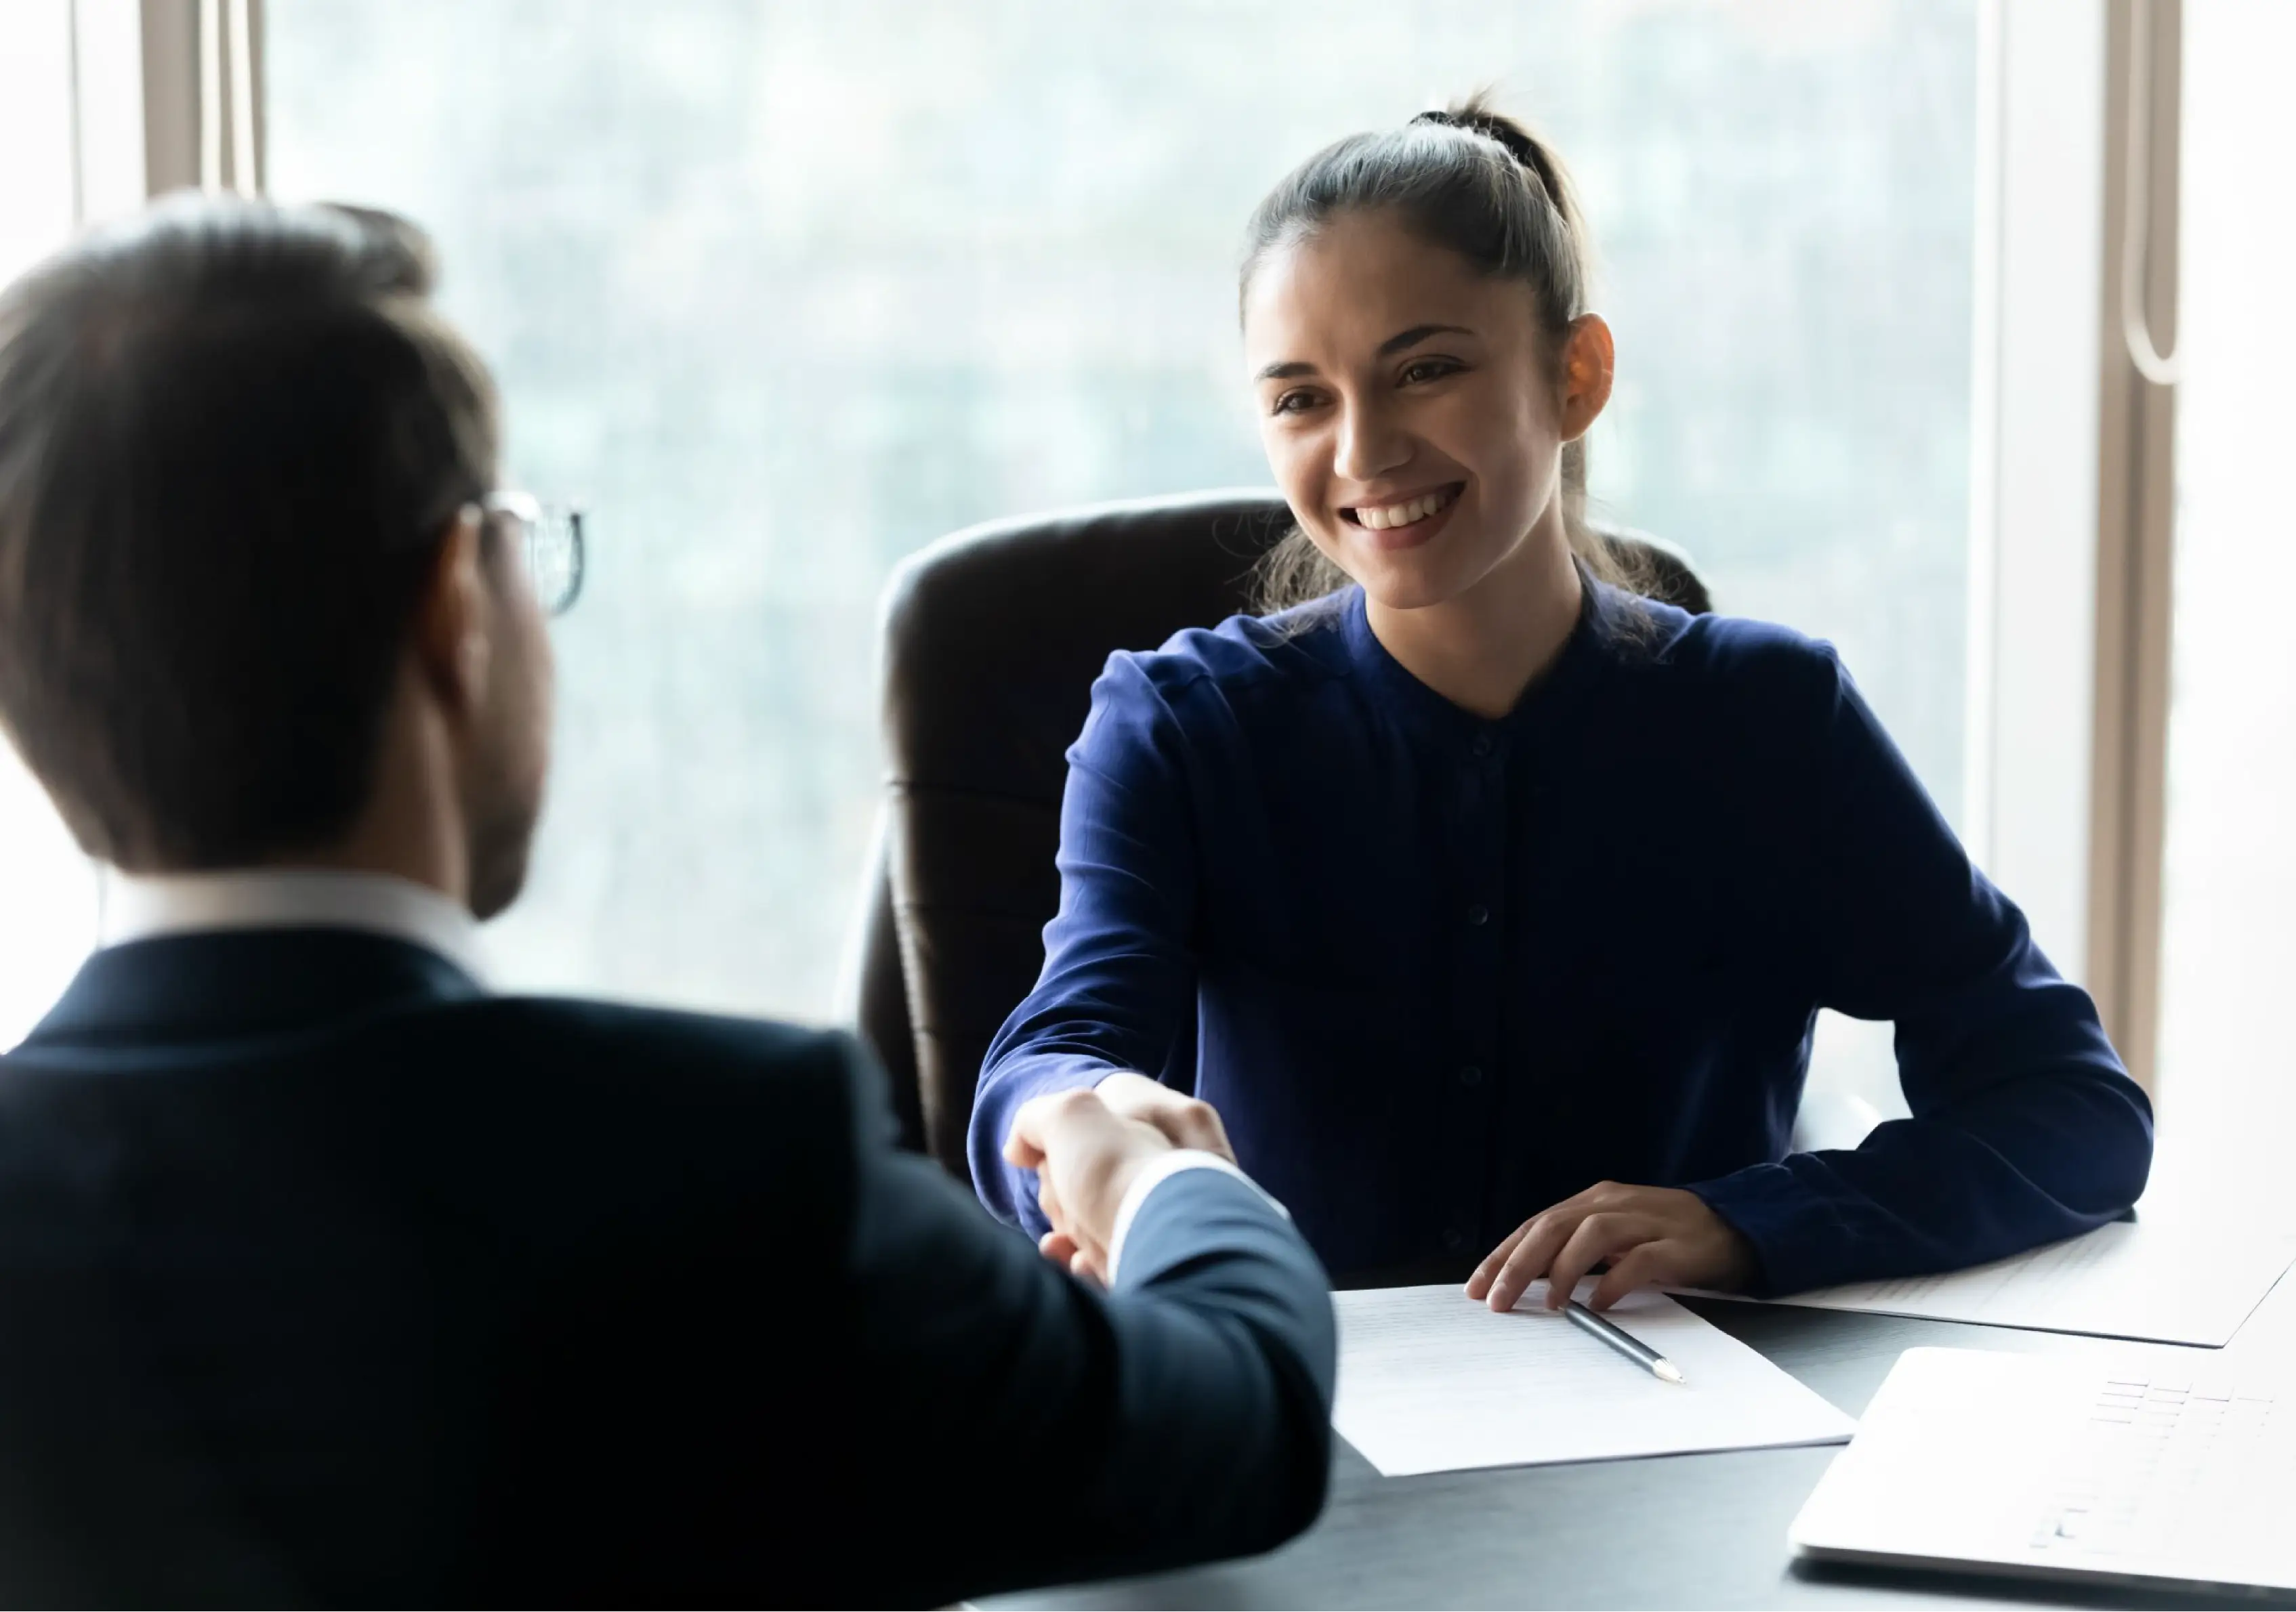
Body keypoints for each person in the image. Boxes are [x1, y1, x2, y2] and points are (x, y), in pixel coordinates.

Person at [0, 197, 1333, 1611]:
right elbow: (1237, 1423)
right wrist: (1157, 1177)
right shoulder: (729, 1163)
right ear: (456, 603)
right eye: (517, 532)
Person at [970, 100, 2154, 1313]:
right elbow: (1050, 1059)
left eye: (1425, 369)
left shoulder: (1770, 722)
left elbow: (2075, 1110)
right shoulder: (1177, 727)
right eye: (1301, 399)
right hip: (1294, 1429)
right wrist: (1084, 1117)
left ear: (1576, 374)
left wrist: (1744, 1223)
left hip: (1683, 1436)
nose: (1364, 452)